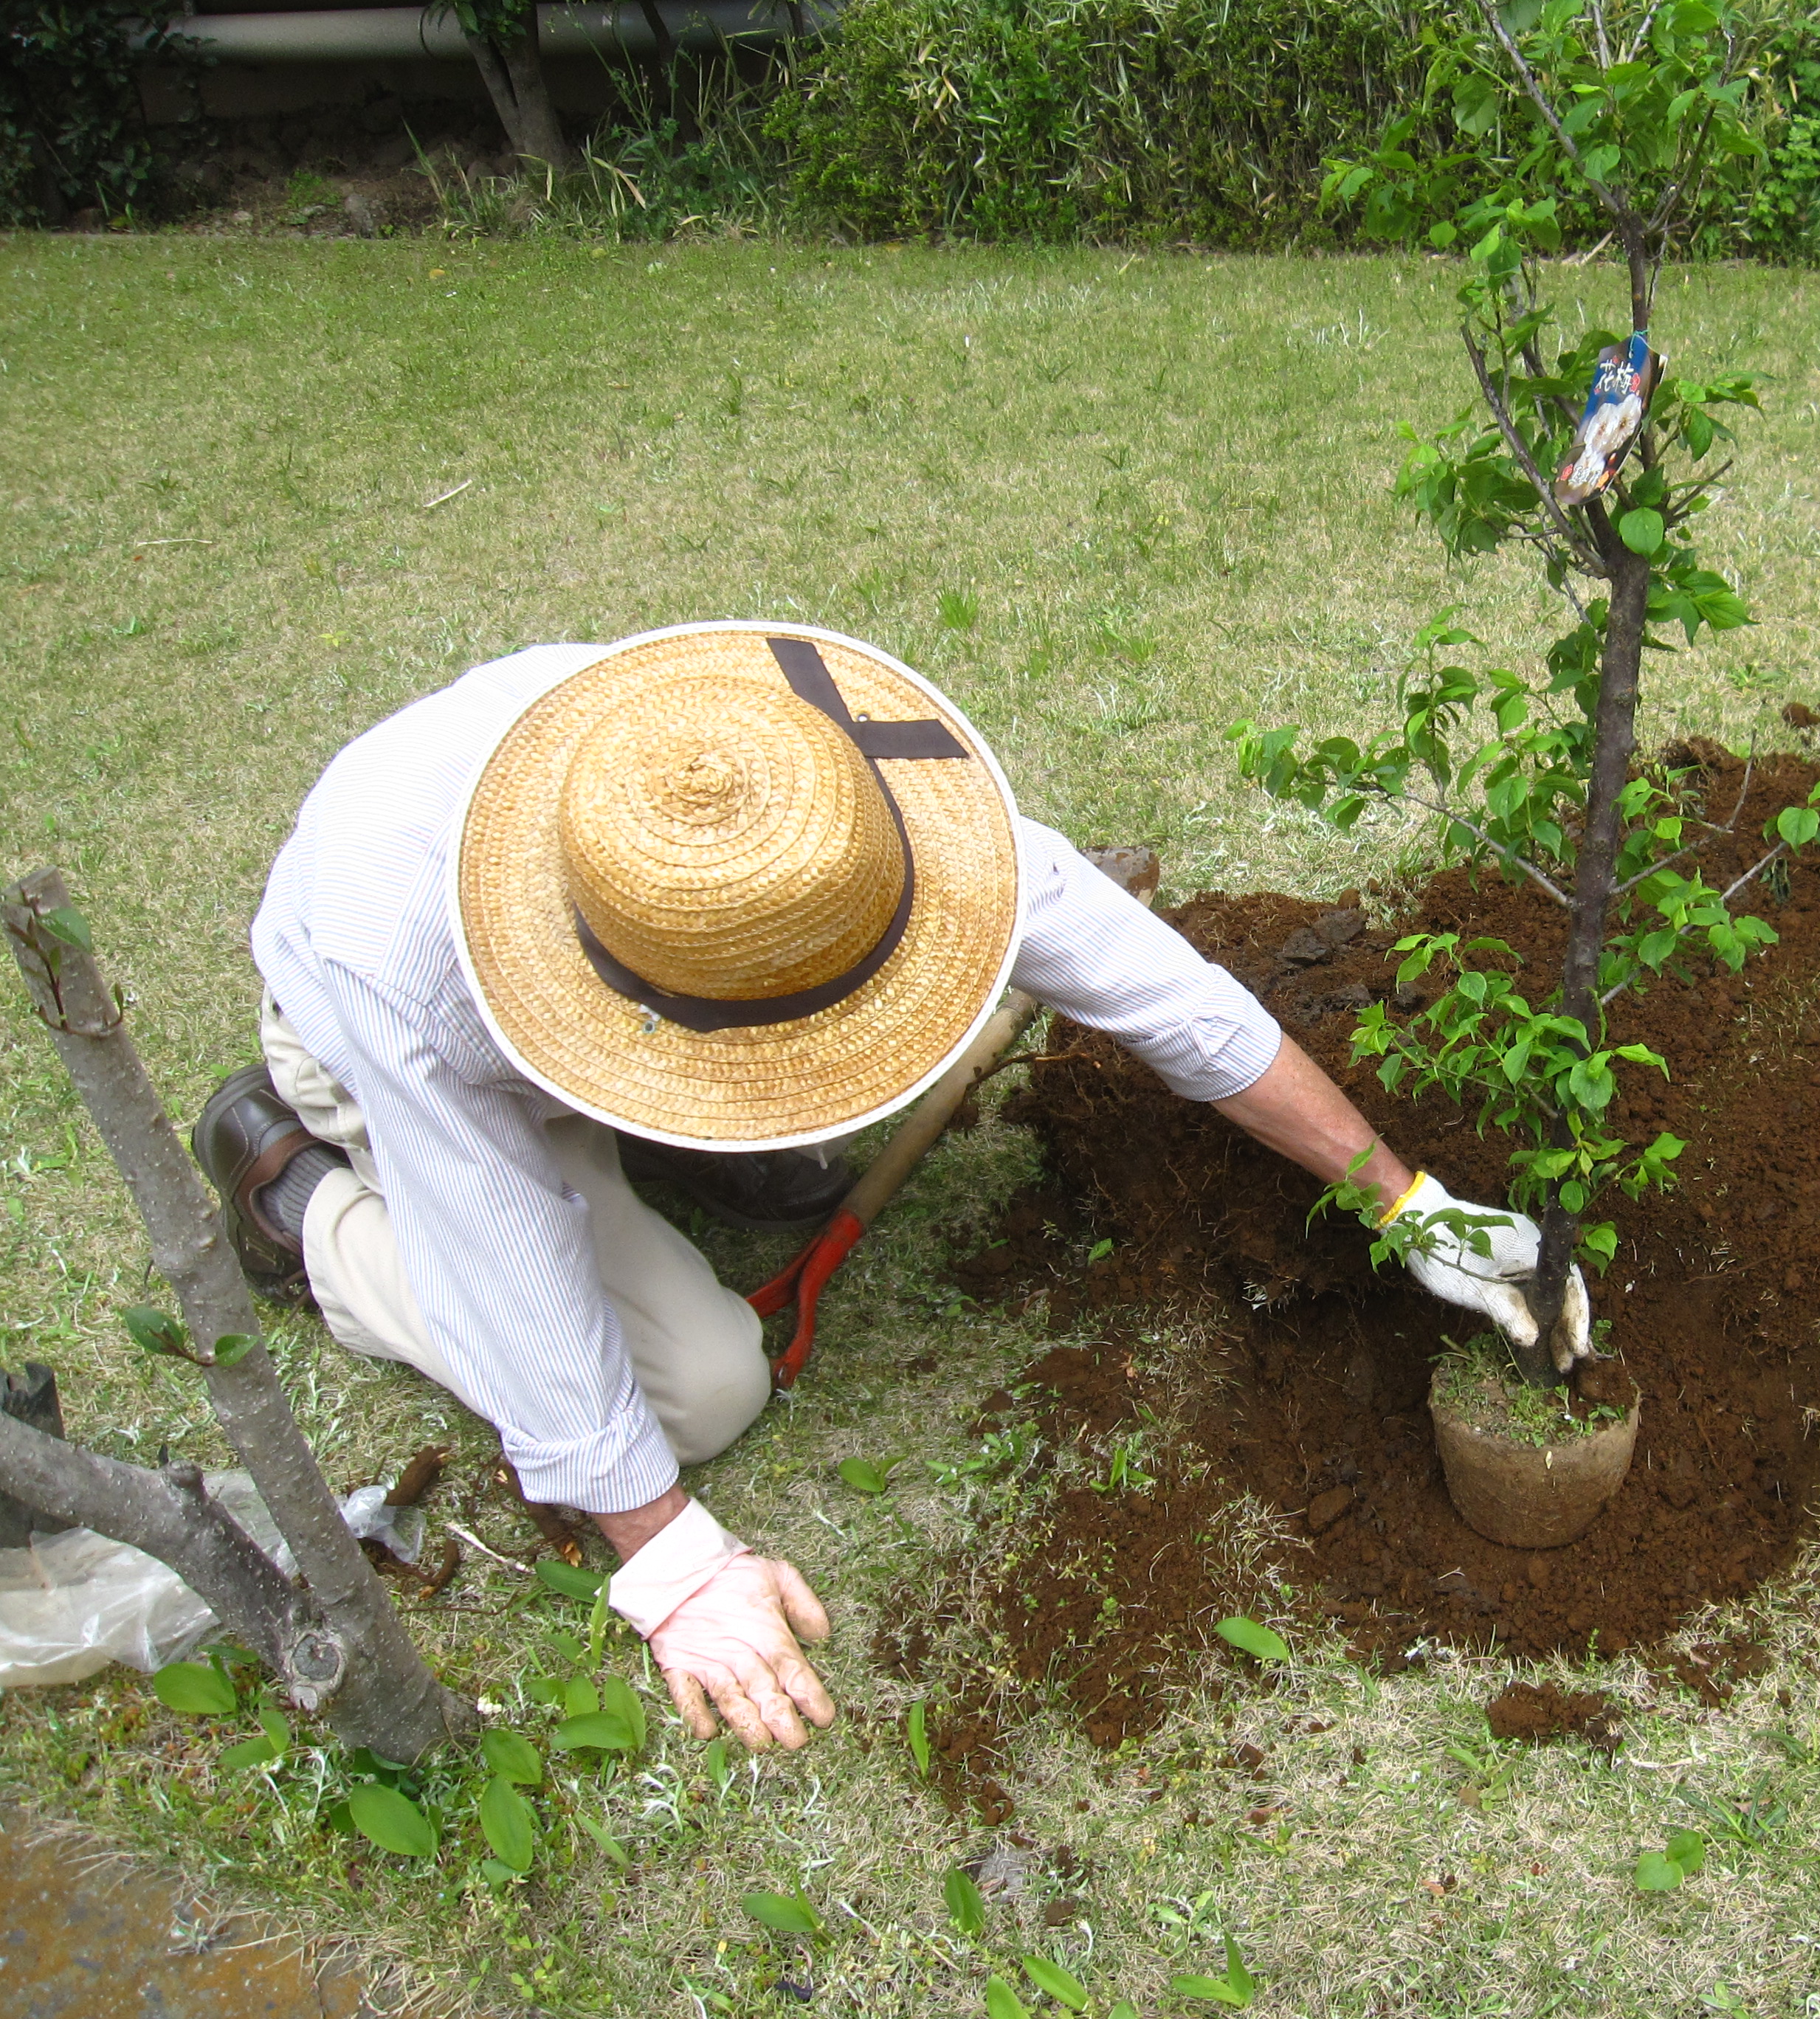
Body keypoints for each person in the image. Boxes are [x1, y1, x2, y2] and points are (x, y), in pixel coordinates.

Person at [196, 621, 1589, 1753]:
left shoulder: (833, 804)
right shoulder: (414, 976)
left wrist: (1409, 1203)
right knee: (703, 1387)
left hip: (626, 984)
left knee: (758, 1216)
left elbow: (1172, 1001)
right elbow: (504, 1266)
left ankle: (683, 1142)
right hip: (386, 1062)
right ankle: (296, 1206)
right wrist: (671, 1567)